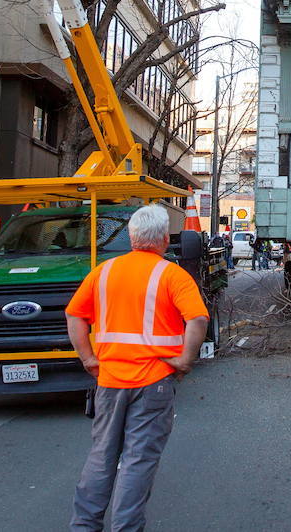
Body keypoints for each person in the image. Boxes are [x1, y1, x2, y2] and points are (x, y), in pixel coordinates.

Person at [66, 204, 209, 532]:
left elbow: (74, 314)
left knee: (102, 456)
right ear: (162, 238)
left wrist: (89, 359)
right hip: (154, 381)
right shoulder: (172, 275)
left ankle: (83, 526)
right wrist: (185, 360)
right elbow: (197, 319)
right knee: (137, 460)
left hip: (109, 379)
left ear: (132, 237)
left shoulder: (104, 271)